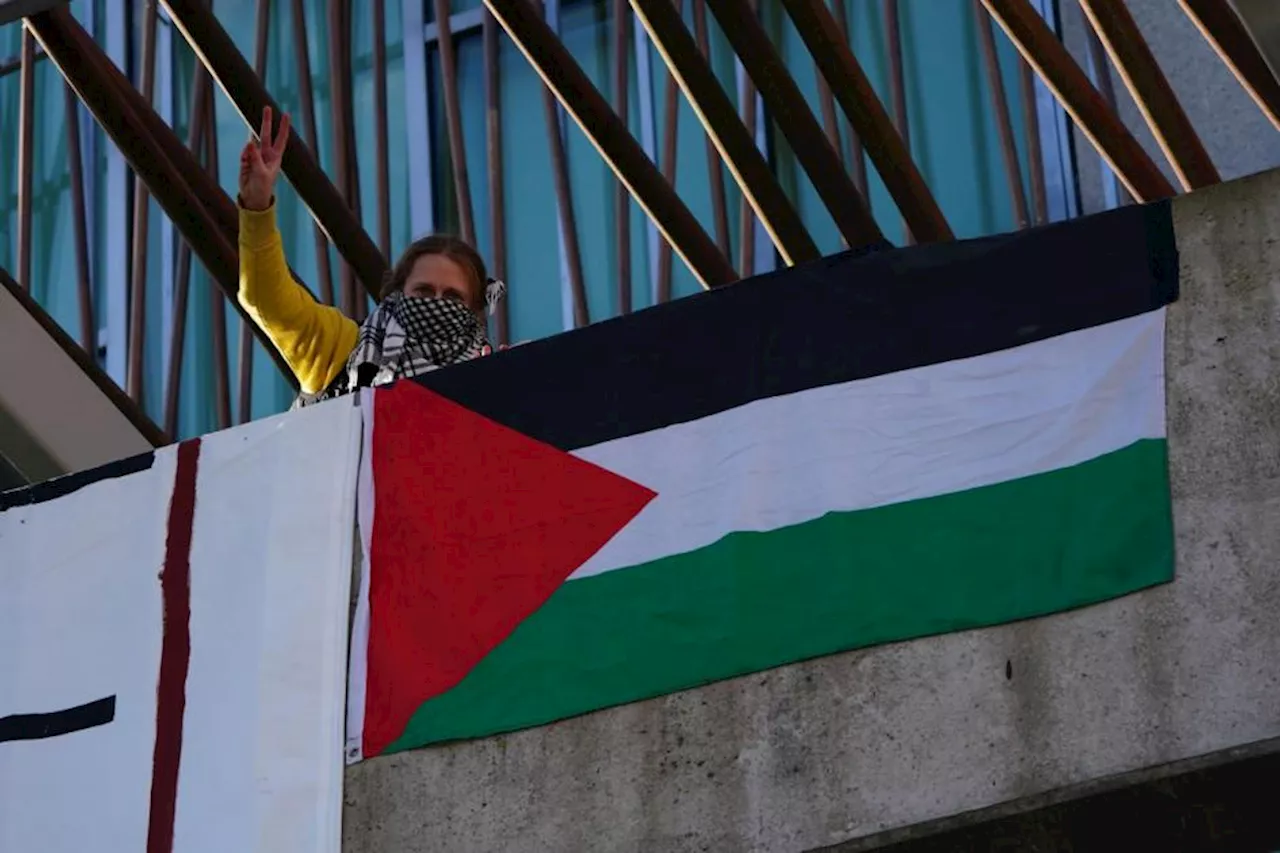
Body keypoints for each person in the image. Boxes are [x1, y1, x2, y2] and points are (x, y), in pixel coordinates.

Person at [237, 107, 505, 408]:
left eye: (453, 298)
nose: (436, 305)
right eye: (424, 292)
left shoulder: (483, 384)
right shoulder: (340, 351)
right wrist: (257, 207)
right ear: (397, 294)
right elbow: (268, 302)